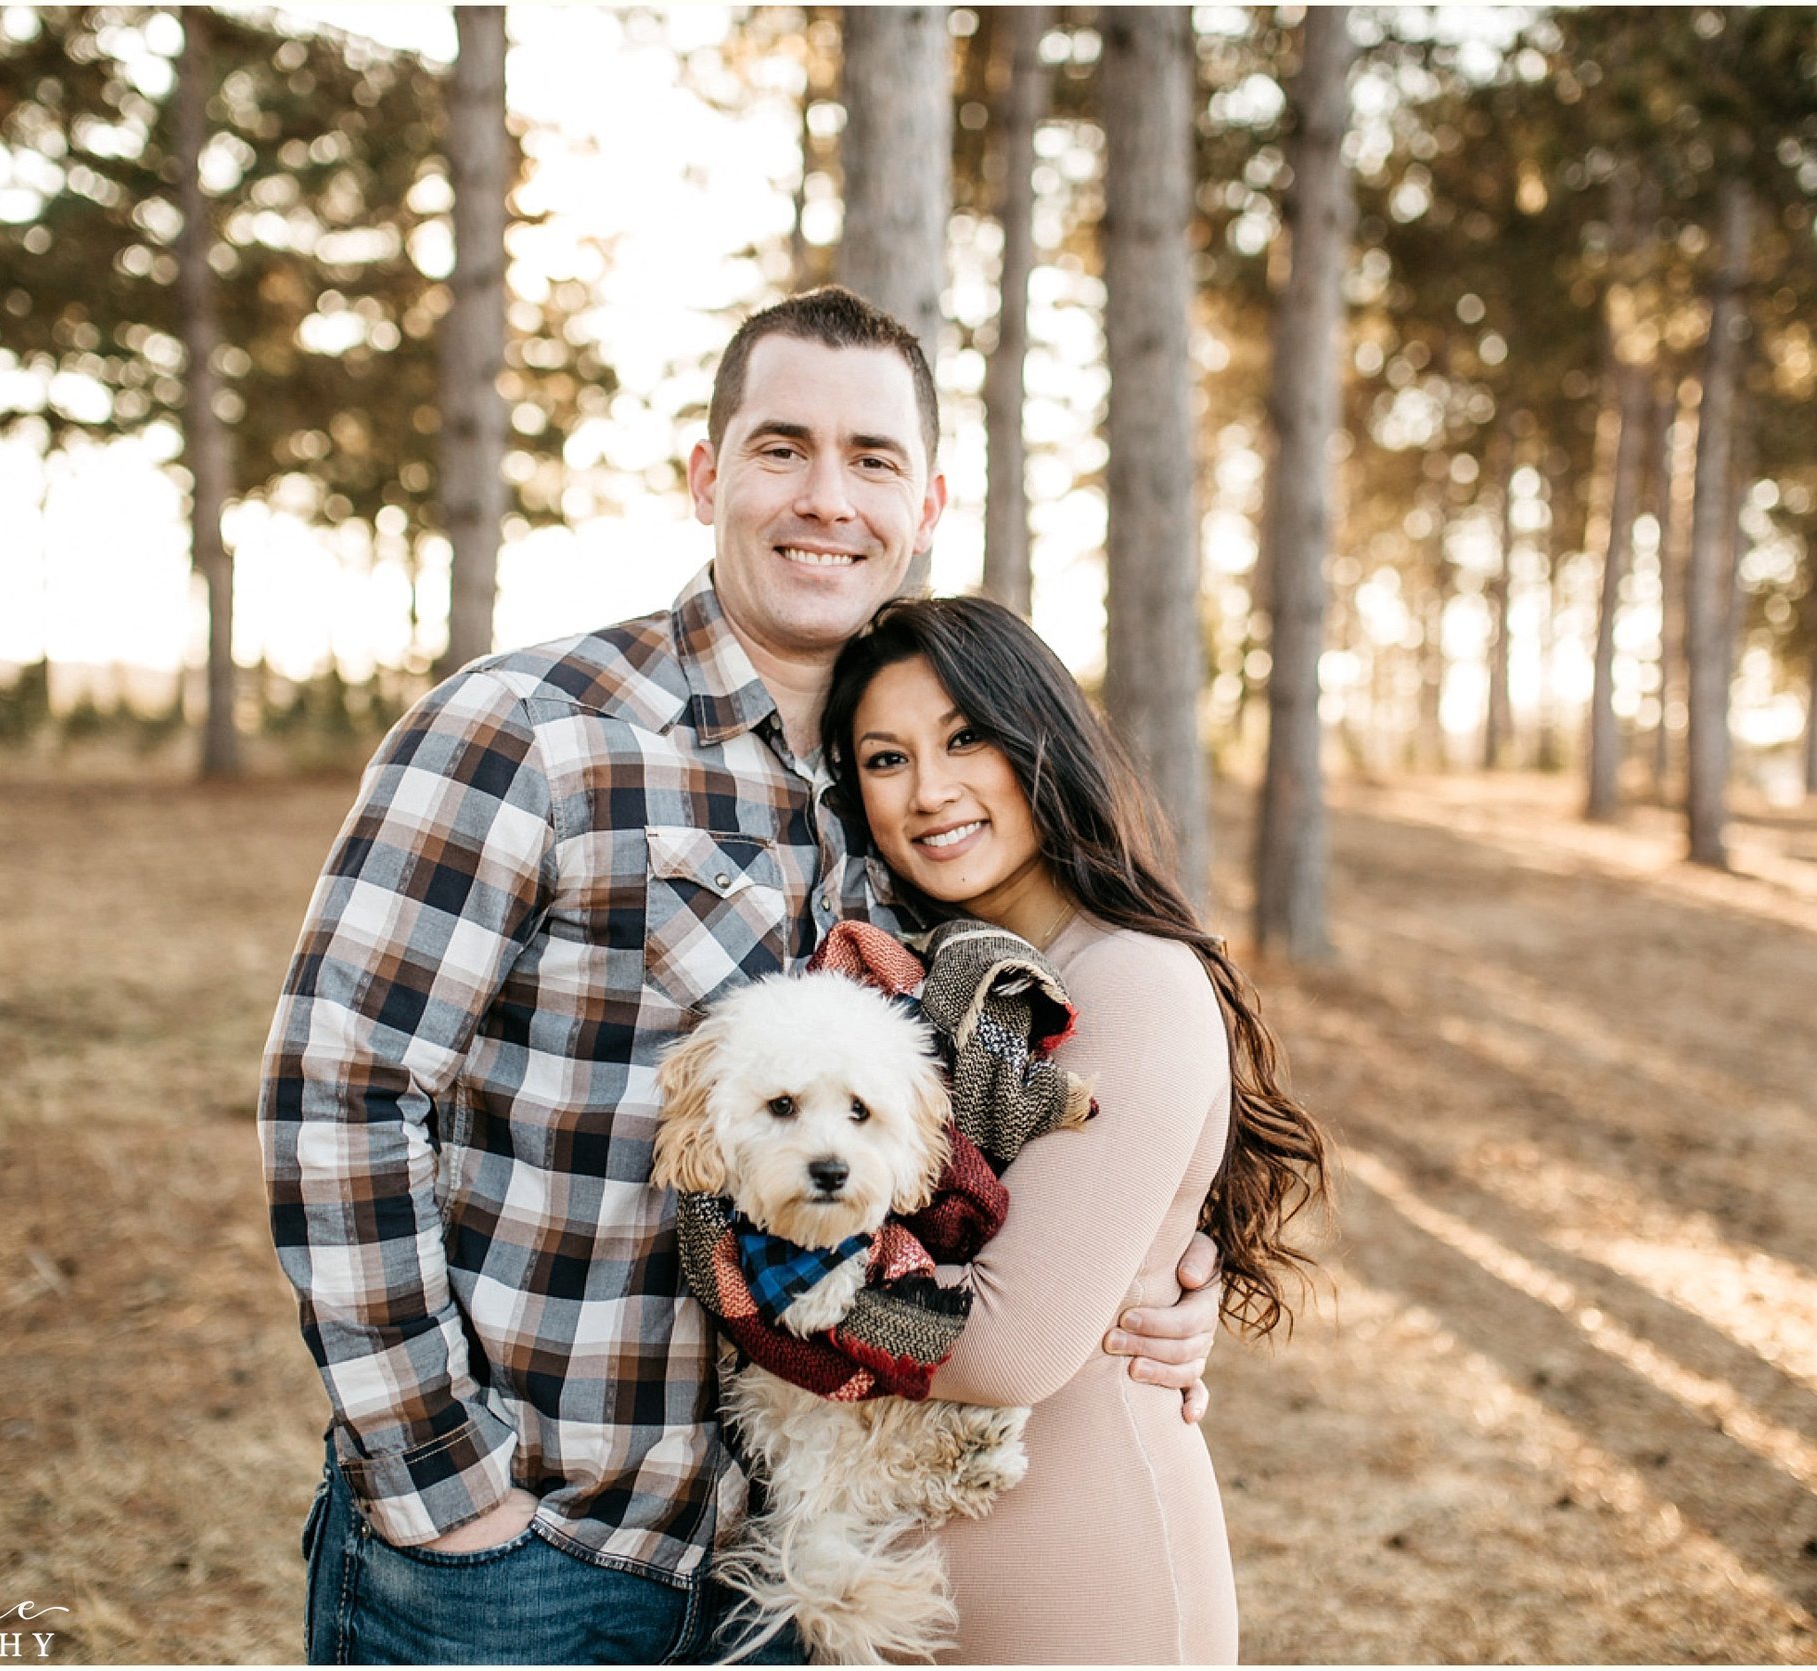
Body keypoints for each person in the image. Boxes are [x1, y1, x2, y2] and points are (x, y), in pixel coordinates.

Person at [258, 286, 1222, 1666]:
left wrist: (1166, 1261)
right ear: (707, 474)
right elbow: (337, 1096)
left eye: (872, 459)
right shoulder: (531, 730)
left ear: (928, 502)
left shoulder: (913, 814)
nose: (827, 496)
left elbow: (1000, 1146)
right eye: (782, 447)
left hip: (781, 1561)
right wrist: (443, 1478)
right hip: (529, 1542)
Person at [821, 595, 1334, 1664]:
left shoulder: (1130, 978)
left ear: (1038, 739)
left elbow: (1003, 1344)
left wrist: (756, 1277)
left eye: (966, 738)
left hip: (1085, 1592)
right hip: (917, 1592)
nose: (930, 791)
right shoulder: (931, 980)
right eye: (884, 758)